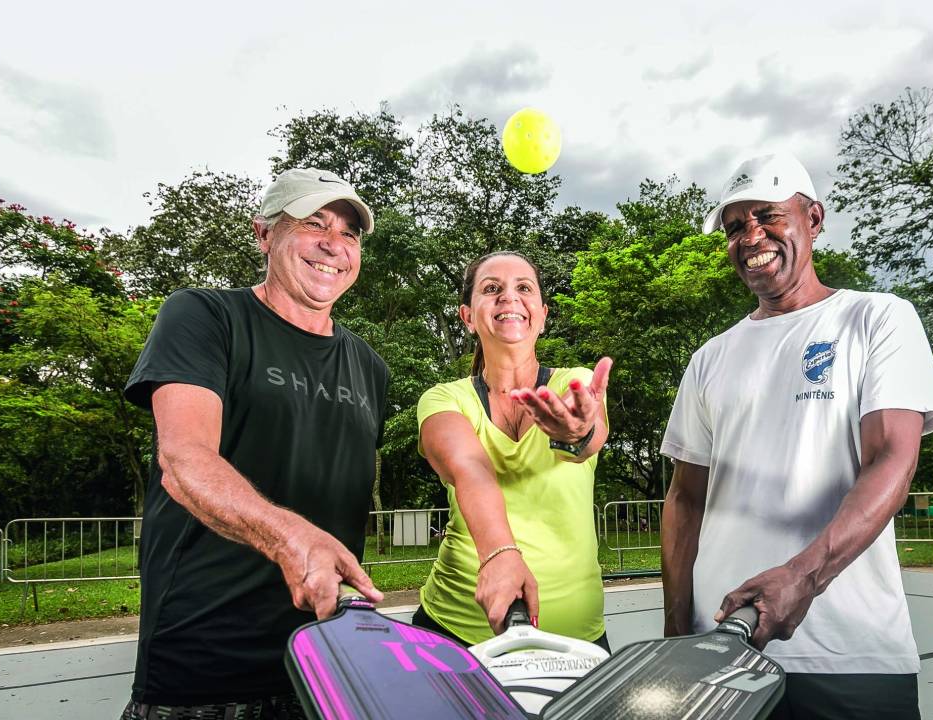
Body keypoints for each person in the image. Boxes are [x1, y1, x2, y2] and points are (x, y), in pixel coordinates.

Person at [660, 152, 933, 720]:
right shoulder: (709, 358)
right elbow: (685, 500)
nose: (752, 236)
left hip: (850, 654)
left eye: (768, 215)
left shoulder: (877, 319)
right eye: (735, 226)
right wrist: (676, 634)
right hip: (720, 657)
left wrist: (803, 576)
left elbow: (891, 459)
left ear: (813, 218)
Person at [121, 168, 388, 719]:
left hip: (327, 666)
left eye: (349, 233)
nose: (333, 246)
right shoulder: (205, 315)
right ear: (264, 234)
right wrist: (292, 537)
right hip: (205, 671)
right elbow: (183, 459)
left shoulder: (370, 367)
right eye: (313, 223)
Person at [415, 251, 612, 649]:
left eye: (524, 288)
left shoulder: (576, 383)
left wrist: (573, 435)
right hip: (456, 629)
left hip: (576, 635)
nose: (509, 297)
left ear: (541, 315)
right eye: (492, 289)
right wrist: (500, 554)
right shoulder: (443, 399)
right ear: (468, 317)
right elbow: (469, 468)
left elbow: (588, 440)